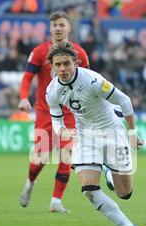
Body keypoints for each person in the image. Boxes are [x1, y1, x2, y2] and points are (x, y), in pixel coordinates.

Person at [45, 40, 144, 226]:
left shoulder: (92, 81)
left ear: (76, 62)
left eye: (66, 63)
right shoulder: (52, 91)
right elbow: (57, 122)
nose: (62, 69)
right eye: (58, 65)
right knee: (89, 190)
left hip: (112, 131)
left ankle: (108, 173)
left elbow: (124, 101)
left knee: (125, 193)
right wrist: (64, 132)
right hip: (85, 136)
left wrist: (132, 134)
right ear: (53, 66)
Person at [18, 12, 90, 212]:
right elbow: (27, 77)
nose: (57, 28)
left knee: (67, 155)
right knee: (41, 158)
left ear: (69, 28)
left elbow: (88, 79)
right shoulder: (40, 51)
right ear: (50, 29)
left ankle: (56, 201)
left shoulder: (80, 53)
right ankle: (30, 183)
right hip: (46, 112)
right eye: (54, 25)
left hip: (70, 113)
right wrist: (24, 97)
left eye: (61, 24)